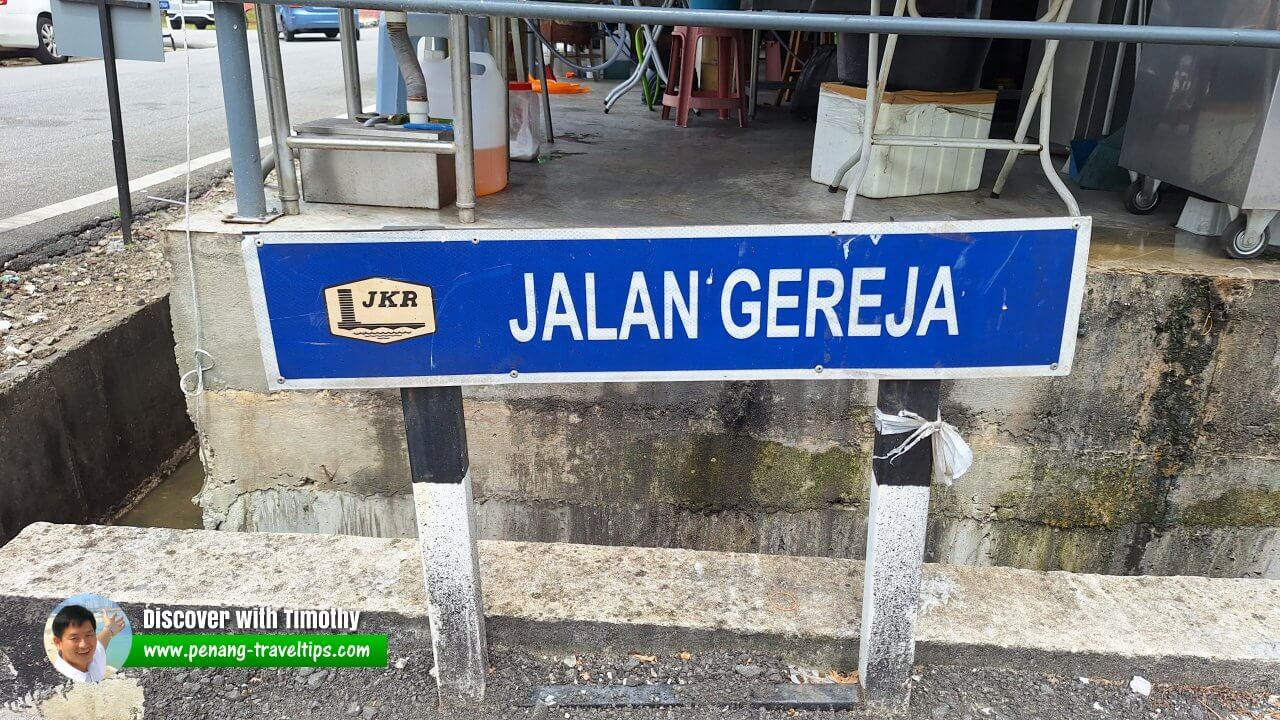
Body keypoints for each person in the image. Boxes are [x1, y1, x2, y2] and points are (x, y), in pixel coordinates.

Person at [50, 604, 125, 683]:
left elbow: (100, 643)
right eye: (74, 638)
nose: (84, 645)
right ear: (58, 642)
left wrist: (110, 629)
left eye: (88, 635)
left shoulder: (94, 656)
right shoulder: (60, 682)